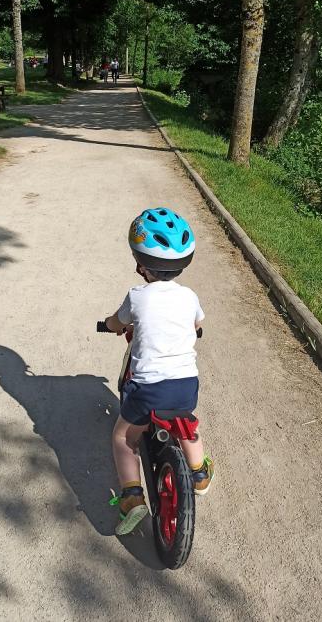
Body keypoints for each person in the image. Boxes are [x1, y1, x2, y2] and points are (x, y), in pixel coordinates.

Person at [103, 208, 214, 536]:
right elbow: (197, 324)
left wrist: (108, 326)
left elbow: (117, 322)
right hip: (185, 387)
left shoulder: (136, 297)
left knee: (123, 437)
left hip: (148, 390)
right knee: (188, 426)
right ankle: (199, 473)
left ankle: (132, 497)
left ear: (140, 265)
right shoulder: (189, 296)